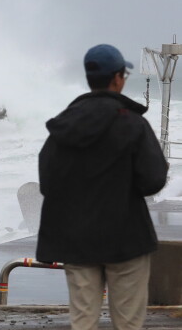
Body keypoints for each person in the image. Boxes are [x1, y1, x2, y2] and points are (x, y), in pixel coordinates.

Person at [36, 44, 168, 330]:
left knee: (83, 321)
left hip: (76, 241)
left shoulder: (64, 126)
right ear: (118, 77)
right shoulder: (132, 124)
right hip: (127, 239)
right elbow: (153, 180)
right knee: (128, 322)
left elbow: (47, 182)